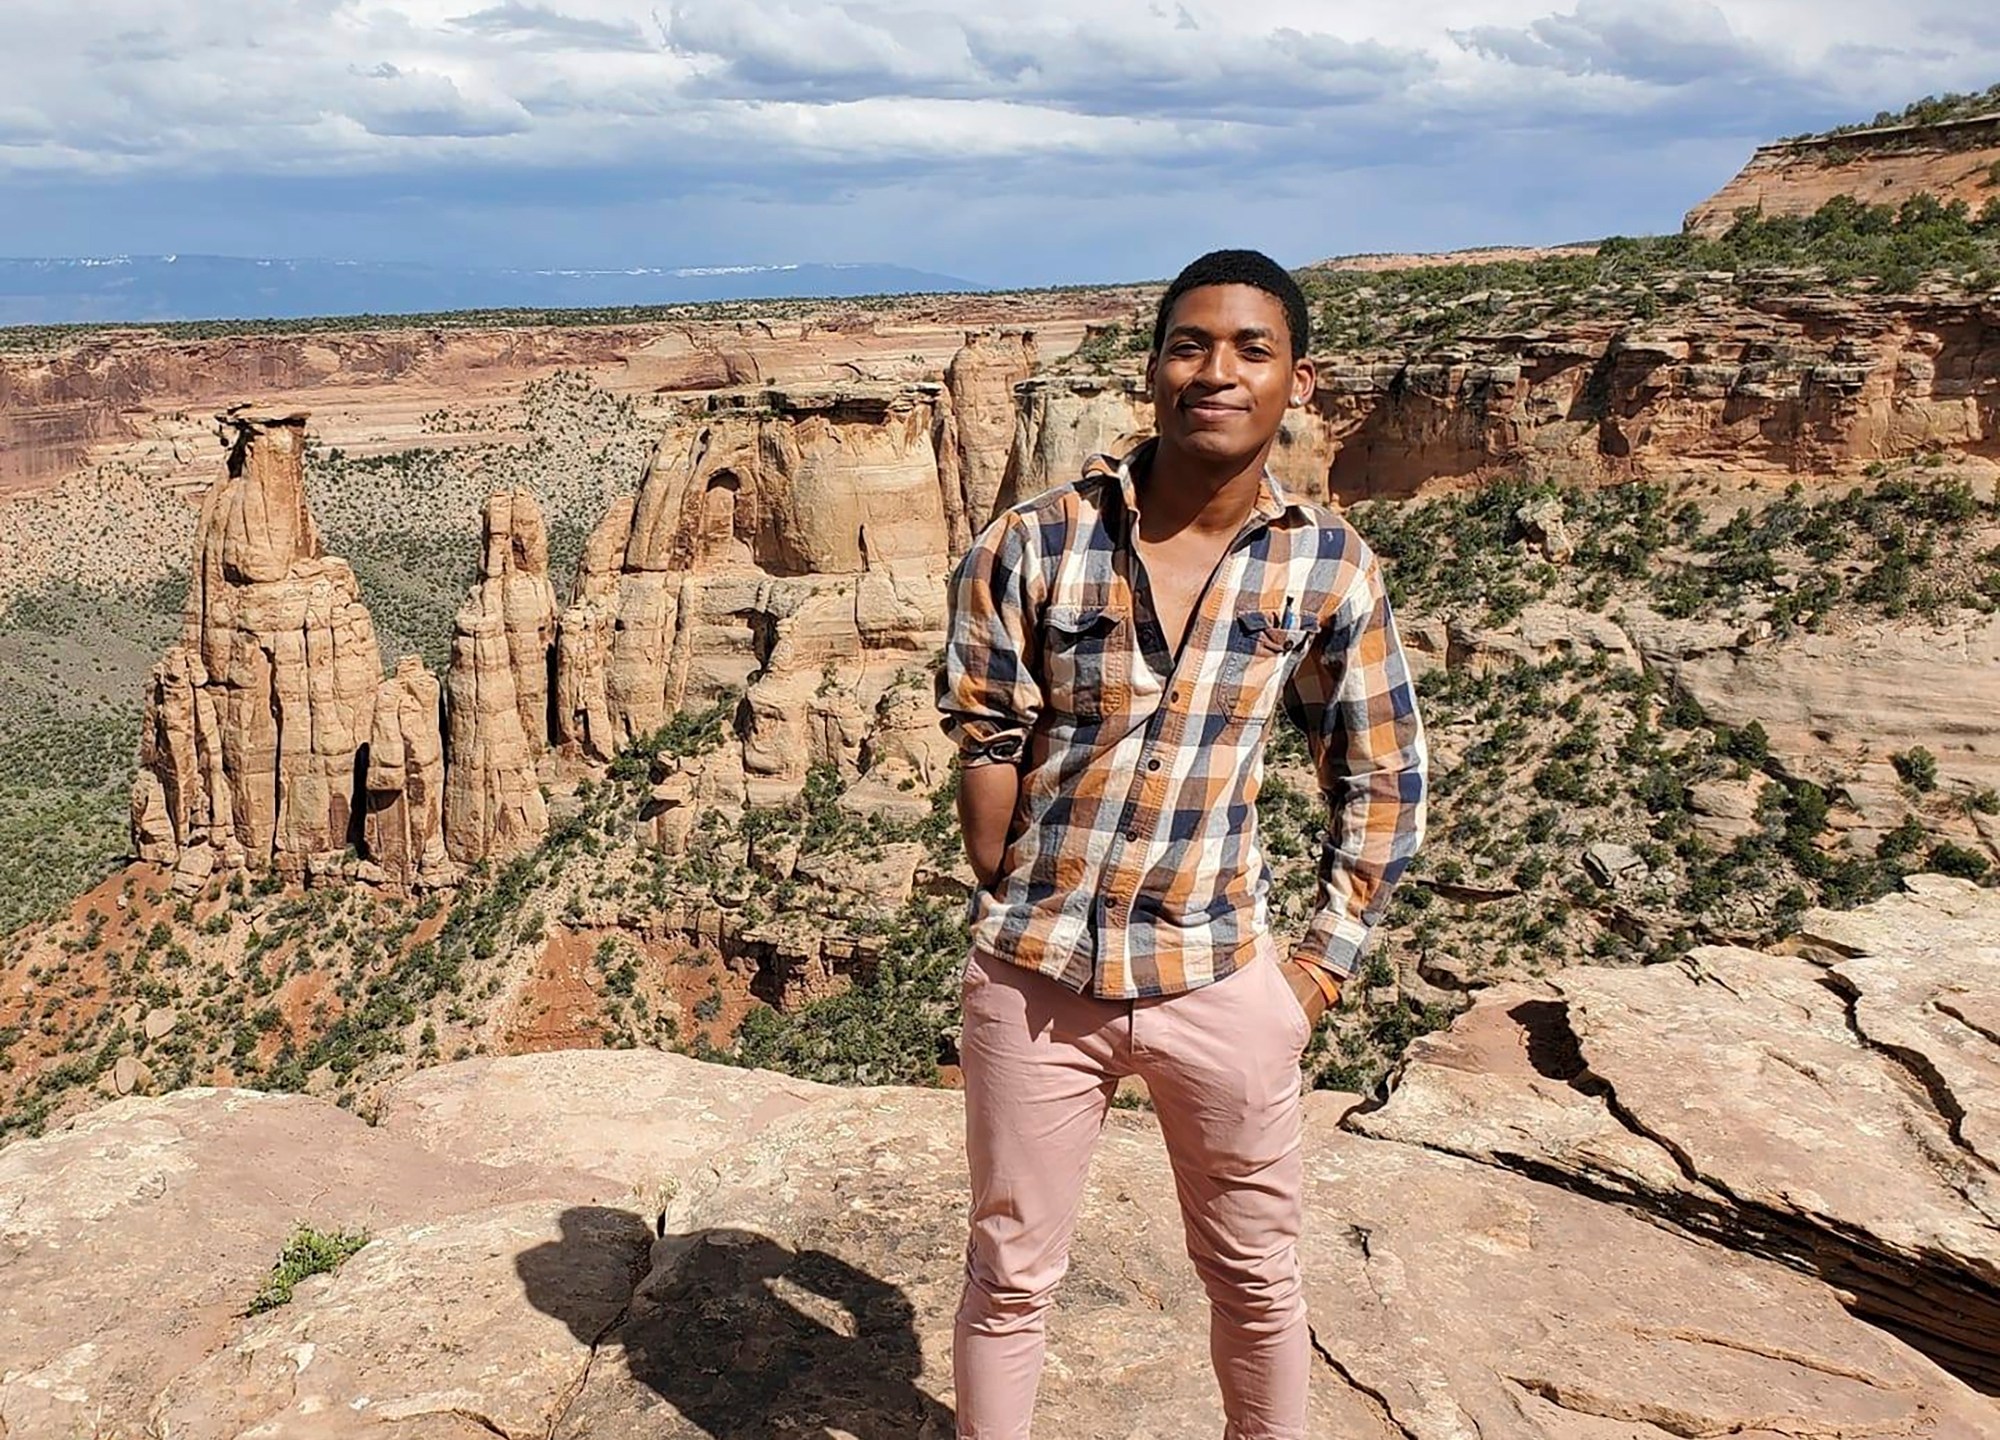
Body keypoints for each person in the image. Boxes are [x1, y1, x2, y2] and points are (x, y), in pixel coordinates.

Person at [934, 248, 1429, 1439]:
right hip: (1036, 977)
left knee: (1257, 1279)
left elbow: (1379, 771)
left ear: (1296, 382)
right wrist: (1018, 905)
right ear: (1152, 368)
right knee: (1008, 1275)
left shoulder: (1323, 564)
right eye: (1189, 344)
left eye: (1250, 349)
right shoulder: (1034, 541)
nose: (1217, 370)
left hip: (1222, 977)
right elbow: (986, 738)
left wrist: (1320, 966)